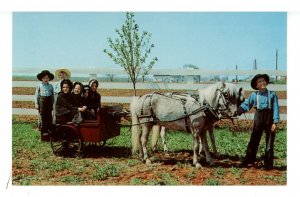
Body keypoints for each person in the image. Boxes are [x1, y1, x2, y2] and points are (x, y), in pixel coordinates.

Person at [237, 74, 280, 170]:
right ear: (256, 86)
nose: (262, 83)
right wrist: (238, 110)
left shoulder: (272, 94)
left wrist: (275, 122)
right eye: (259, 82)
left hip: (270, 118)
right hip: (259, 117)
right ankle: (249, 161)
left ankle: (268, 164)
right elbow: (247, 104)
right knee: (254, 139)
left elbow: (276, 108)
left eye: (263, 80)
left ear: (266, 82)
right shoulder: (254, 95)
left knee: (269, 141)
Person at [35, 70, 54, 141]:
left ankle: (49, 135)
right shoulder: (39, 86)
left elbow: (52, 96)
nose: (46, 79)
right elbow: (36, 95)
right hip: (42, 102)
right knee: (42, 117)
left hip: (49, 102)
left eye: (47, 78)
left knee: (49, 117)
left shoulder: (51, 86)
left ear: (49, 79)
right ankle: (42, 136)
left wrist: (52, 104)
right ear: (41, 79)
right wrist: (36, 104)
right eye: (44, 78)